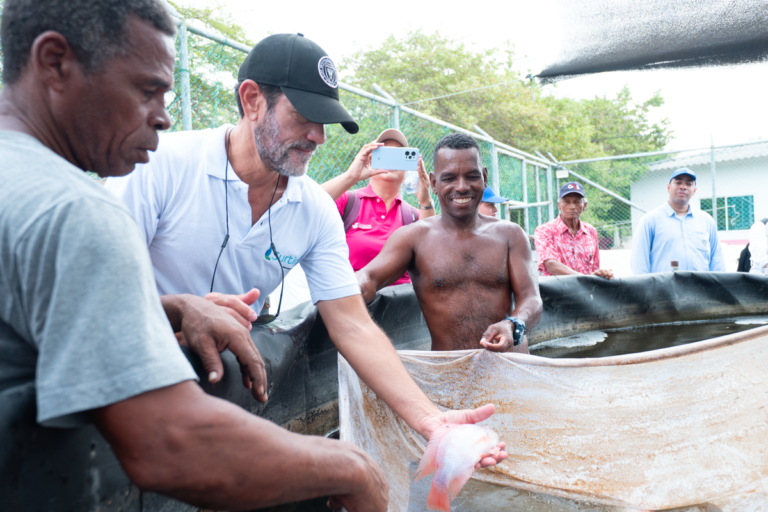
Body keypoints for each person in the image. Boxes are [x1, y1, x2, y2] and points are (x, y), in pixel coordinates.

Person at [0, 4, 502, 511]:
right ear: (252, 100)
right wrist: (354, 469)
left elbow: (352, 325)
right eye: (304, 118)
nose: (318, 138)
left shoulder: (313, 210)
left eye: (326, 123)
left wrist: (429, 419)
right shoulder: (144, 172)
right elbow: (157, 429)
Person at [357, 133, 543, 353]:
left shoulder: (510, 234)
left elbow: (531, 298)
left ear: (484, 176)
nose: (462, 186)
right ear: (434, 183)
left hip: (513, 367)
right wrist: (348, 292)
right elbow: (368, 278)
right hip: (450, 374)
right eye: (449, 178)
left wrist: (514, 324)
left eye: (472, 176)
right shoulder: (413, 237)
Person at [321, 128, 434, 285]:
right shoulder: (348, 202)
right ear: (371, 159)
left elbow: (432, 254)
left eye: (398, 157)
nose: (391, 162)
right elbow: (311, 204)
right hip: (351, 300)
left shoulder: (415, 216)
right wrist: (351, 176)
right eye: (385, 155)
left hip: (400, 304)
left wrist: (426, 201)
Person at [631, 168, 726, 274]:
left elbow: (717, 260)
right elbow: (639, 260)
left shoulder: (706, 220)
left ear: (694, 190)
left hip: (700, 288)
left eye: (689, 184)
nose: (683, 187)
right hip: (663, 289)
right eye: (678, 182)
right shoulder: (650, 220)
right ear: (668, 187)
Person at [534, 182, 614, 279]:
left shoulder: (591, 231)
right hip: (556, 292)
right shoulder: (544, 231)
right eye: (567, 202)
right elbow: (551, 264)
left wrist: (601, 273)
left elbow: (594, 268)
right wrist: (583, 278)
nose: (572, 206)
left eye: (577, 202)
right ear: (559, 205)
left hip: (585, 291)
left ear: (584, 205)